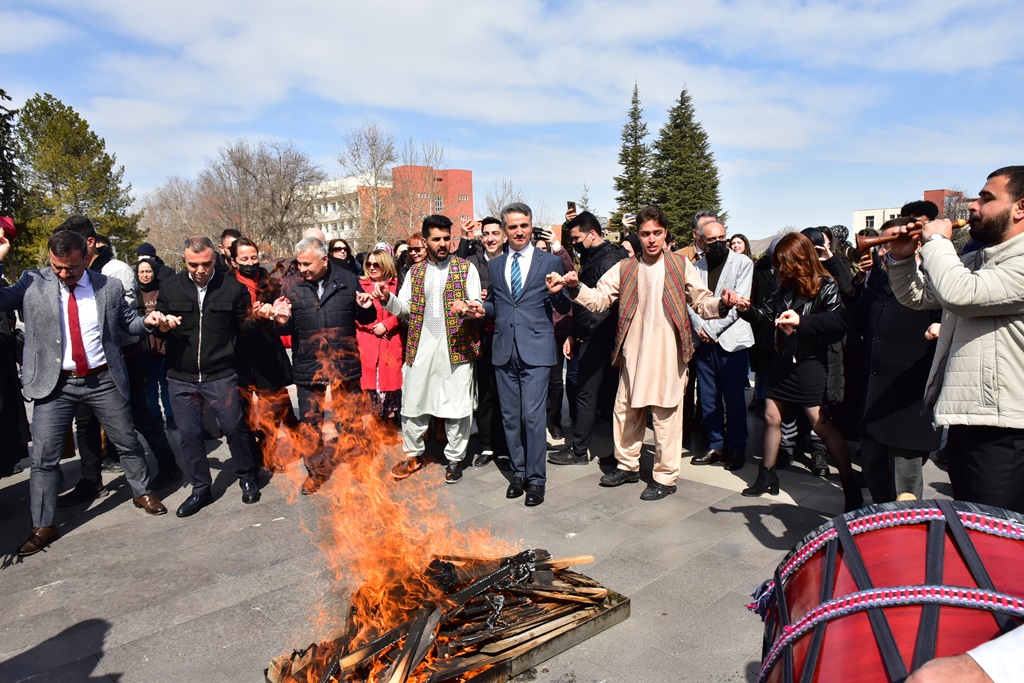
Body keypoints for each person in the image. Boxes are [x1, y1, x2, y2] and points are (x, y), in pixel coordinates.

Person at [0, 230, 169, 557]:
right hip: (56, 385)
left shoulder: (109, 285)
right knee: (43, 457)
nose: (63, 274)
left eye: (71, 268)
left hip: (103, 379)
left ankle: (142, 491)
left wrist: (149, 322)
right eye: (57, 267)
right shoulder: (33, 281)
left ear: (86, 258)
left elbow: (128, 323)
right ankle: (43, 524)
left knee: (127, 440)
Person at [551, 206, 738, 501]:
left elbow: (703, 303)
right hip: (633, 353)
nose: (651, 239)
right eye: (645, 234)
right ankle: (627, 466)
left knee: (666, 417)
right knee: (626, 412)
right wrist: (575, 289)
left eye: (657, 233)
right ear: (638, 236)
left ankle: (665, 477)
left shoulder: (679, 266)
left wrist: (723, 305)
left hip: (669, 355)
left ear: (665, 234)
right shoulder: (626, 267)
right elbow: (599, 300)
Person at [887, 166, 1024, 514]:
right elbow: (918, 297)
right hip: (970, 417)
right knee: (972, 531)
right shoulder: (976, 259)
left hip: (1006, 428)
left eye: (987, 198)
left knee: (994, 540)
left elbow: (960, 293)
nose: (974, 207)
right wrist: (901, 258)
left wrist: (935, 241)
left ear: (1020, 208)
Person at [157, 236, 287, 516]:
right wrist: (162, 326)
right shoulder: (170, 287)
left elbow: (243, 329)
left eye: (205, 263)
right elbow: (158, 325)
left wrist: (262, 317)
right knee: (190, 435)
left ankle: (247, 478)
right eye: (193, 265)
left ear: (216, 259)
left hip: (222, 373)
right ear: (185, 261)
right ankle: (200, 489)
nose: (200, 270)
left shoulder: (231, 288)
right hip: (181, 375)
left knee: (234, 428)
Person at [735, 233, 863, 512]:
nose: (780, 268)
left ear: (799, 259)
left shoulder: (826, 285)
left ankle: (849, 483)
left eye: (784, 262)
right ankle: (766, 474)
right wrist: (745, 309)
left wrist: (802, 324)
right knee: (771, 417)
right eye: (778, 263)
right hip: (783, 360)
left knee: (821, 425)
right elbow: (766, 315)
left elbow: (836, 325)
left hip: (810, 362)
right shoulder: (784, 287)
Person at [58, 216, 183, 498]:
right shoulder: (67, 273)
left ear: (88, 243)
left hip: (124, 357)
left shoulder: (116, 271)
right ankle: (90, 479)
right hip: (86, 364)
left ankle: (168, 463)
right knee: (86, 422)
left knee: (141, 415)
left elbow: (122, 320)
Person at [370, 215, 483, 484]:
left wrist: (467, 307)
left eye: (447, 238)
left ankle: (455, 458)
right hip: (420, 347)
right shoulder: (415, 272)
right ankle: (413, 454)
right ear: (425, 241)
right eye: (436, 239)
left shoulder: (466, 269)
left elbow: (477, 304)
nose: (443, 243)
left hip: (456, 347)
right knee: (413, 403)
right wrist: (388, 299)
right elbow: (405, 309)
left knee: (457, 405)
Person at [477, 203, 571, 506]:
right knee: (510, 417)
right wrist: (480, 309)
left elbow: (566, 307)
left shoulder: (549, 262)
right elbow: (495, 305)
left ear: (531, 227)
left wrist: (558, 294)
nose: (519, 231)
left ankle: (536, 479)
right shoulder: (495, 265)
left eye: (524, 225)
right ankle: (517, 473)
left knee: (532, 417)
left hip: (537, 351)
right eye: (513, 226)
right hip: (504, 350)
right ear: (505, 230)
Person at [844, 217, 941, 502]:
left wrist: (940, 327)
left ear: (916, 243)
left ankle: (907, 542)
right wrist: (803, 322)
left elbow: (951, 313)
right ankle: (881, 537)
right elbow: (850, 315)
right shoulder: (882, 279)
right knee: (874, 472)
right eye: (882, 244)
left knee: (905, 487)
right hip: (875, 400)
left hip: (908, 403)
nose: (883, 250)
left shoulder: (936, 277)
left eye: (889, 243)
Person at [281, 236, 376, 494]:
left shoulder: (348, 280)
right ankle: (316, 471)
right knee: (309, 424)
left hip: (344, 364)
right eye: (299, 264)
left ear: (324, 260)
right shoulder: (289, 285)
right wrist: (280, 320)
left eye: (307, 264)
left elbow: (366, 318)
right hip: (309, 365)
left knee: (352, 420)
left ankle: (358, 463)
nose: (302, 269)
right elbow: (286, 325)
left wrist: (367, 308)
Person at [549, 210, 625, 466]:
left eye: (578, 238)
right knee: (600, 395)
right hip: (596, 335)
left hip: (601, 337)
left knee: (589, 394)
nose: (576, 244)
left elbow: (599, 305)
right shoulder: (599, 256)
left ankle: (582, 450)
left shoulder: (608, 261)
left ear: (593, 234)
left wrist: (578, 334)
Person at [688, 221, 754, 471]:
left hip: (731, 342)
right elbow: (689, 303)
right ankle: (716, 444)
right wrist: (699, 329)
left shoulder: (743, 263)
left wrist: (711, 329)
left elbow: (740, 303)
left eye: (721, 238)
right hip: (704, 343)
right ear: (700, 240)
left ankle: (737, 447)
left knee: (734, 399)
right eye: (711, 239)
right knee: (707, 399)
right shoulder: (695, 267)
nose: (717, 243)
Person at [230, 237, 297, 472]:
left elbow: (283, 310)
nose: (250, 263)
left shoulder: (269, 281)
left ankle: (269, 452)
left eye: (254, 258)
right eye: (244, 259)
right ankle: (252, 456)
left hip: (267, 351)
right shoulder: (227, 285)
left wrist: (278, 312)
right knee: (243, 411)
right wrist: (253, 316)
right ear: (233, 260)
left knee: (273, 407)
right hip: (239, 354)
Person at [466, 217, 509, 467]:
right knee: (485, 394)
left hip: (507, 334)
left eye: (495, 233)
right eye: (486, 234)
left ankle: (506, 444)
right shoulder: (472, 263)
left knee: (507, 393)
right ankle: (487, 446)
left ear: (504, 236)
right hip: (481, 336)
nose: (491, 238)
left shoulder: (512, 261)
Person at [355, 249, 404, 424]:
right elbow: (354, 313)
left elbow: (404, 310)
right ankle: (376, 426)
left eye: (377, 264)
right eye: (369, 264)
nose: (372, 267)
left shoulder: (397, 285)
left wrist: (387, 325)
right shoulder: (360, 285)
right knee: (371, 388)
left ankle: (389, 422)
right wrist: (372, 326)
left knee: (390, 384)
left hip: (390, 340)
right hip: (368, 342)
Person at [134, 258, 175, 431]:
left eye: (148, 271)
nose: (145, 275)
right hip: (144, 349)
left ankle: (171, 416)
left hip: (164, 346)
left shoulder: (163, 290)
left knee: (166, 384)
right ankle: (156, 417)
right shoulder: (135, 294)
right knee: (150, 385)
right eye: (141, 272)